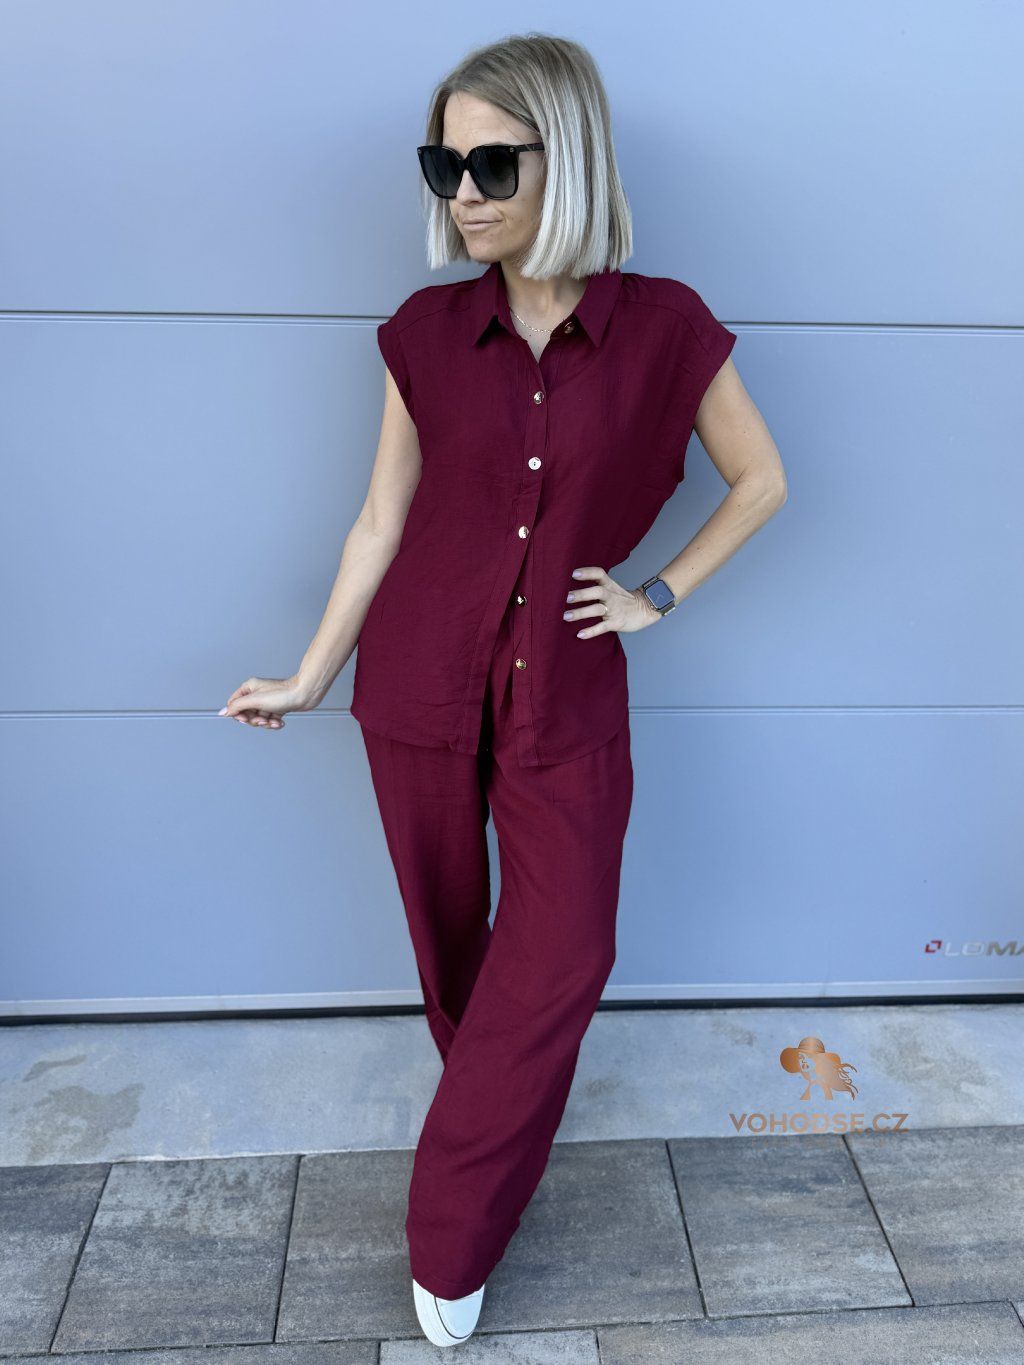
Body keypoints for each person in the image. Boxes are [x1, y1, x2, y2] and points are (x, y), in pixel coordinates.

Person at [219, 31, 786, 1350]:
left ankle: (452, 1224)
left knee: (565, 951)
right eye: (444, 165)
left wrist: (658, 593)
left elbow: (761, 480)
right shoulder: (425, 334)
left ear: (566, 156)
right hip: (415, 684)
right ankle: (503, 1118)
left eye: (490, 164)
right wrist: (309, 675)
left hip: (567, 697)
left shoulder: (667, 330)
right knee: (453, 949)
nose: (462, 193)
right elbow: (379, 521)